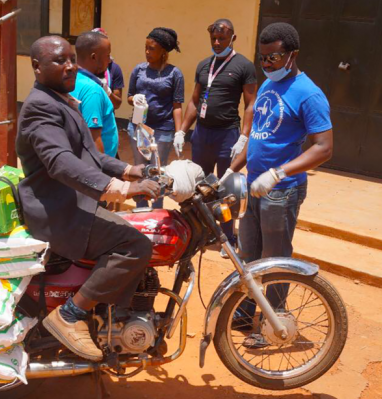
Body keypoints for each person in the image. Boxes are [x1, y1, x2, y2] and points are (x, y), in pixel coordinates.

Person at [16, 35, 161, 361]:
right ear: (37, 67)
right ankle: (70, 315)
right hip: (58, 211)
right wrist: (122, 189)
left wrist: (130, 170)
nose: (69, 66)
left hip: (71, 202)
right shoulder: (41, 106)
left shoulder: (61, 100)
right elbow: (61, 162)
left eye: (71, 59)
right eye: (59, 60)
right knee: (135, 245)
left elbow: (89, 156)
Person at [226, 22, 334, 347]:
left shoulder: (309, 93)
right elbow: (257, 137)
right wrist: (230, 172)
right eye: (263, 58)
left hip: (281, 190)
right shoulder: (268, 88)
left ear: (292, 54)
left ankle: (275, 323)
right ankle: (247, 311)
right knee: (250, 254)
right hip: (254, 186)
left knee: (275, 259)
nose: (268, 64)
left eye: (274, 57)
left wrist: (279, 173)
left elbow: (324, 148)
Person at [177, 19, 257, 254]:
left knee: (226, 186)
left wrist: (243, 136)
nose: (217, 42)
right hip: (202, 134)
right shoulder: (204, 65)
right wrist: (182, 130)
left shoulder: (244, 66)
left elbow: (251, 103)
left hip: (227, 135)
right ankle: (200, 232)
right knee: (200, 185)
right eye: (214, 38)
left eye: (222, 38)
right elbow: (194, 101)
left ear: (233, 37)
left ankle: (228, 237)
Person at [127, 27, 184, 208]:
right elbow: (130, 96)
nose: (147, 52)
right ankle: (141, 209)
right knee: (141, 171)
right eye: (146, 47)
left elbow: (177, 105)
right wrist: (134, 99)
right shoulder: (139, 69)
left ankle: (157, 211)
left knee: (158, 172)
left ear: (163, 52)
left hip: (162, 130)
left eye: (152, 49)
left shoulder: (175, 74)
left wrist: (179, 132)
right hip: (138, 127)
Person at [69, 31, 120, 157]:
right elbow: (93, 141)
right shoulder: (93, 90)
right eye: (107, 56)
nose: (109, 61)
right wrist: (101, 174)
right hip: (100, 166)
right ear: (94, 57)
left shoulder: (71, 80)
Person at [92, 27, 125, 110]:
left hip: (106, 118)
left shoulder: (114, 68)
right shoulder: (83, 68)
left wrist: (106, 90)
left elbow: (117, 104)